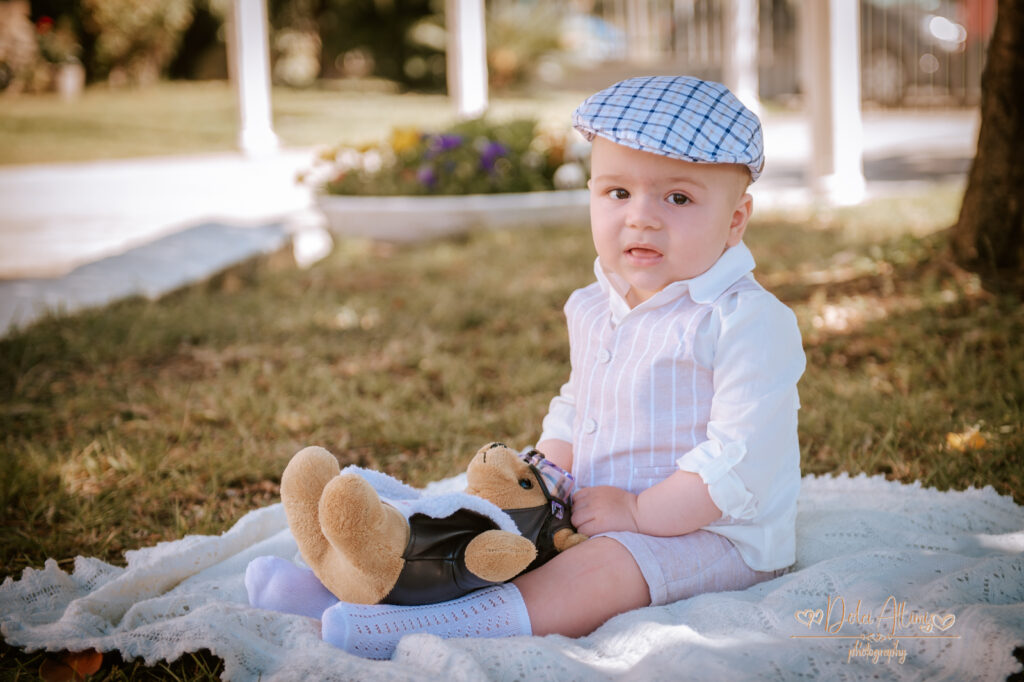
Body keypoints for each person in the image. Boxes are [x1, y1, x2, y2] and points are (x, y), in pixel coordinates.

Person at [248, 75, 806, 659]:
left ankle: (422, 628)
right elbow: (579, 401)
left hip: (711, 533)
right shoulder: (595, 305)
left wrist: (639, 513)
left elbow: (738, 462)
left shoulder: (746, 321)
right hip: (592, 505)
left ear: (736, 218)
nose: (641, 218)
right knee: (489, 529)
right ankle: (345, 581)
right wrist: (544, 476)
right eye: (618, 193)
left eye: (679, 199)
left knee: (600, 571)